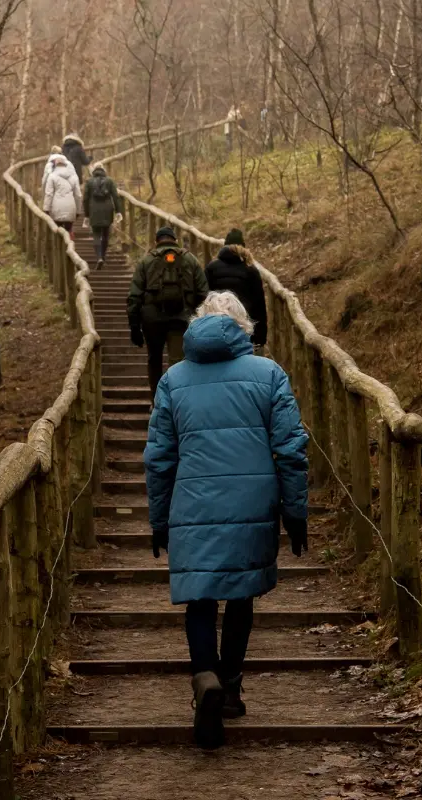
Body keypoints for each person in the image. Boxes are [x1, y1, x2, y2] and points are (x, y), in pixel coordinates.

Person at [143, 291, 309, 751]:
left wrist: (159, 520)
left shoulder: (174, 380)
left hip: (192, 504)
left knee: (200, 598)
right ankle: (231, 686)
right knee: (240, 594)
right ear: (244, 327)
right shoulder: (268, 373)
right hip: (253, 502)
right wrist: (295, 512)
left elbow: (158, 458)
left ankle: (205, 679)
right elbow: (291, 449)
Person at [126, 226, 209, 397]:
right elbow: (203, 293)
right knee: (178, 362)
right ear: (175, 240)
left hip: (151, 321)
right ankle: (177, 400)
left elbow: (134, 296)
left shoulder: (146, 261)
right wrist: (200, 320)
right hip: (181, 319)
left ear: (156, 241)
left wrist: (134, 326)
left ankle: (156, 402)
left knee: (154, 360)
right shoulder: (190, 259)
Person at [204, 228, 267, 350]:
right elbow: (259, 305)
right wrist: (260, 336)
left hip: (216, 324)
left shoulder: (211, 268)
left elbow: (204, 297)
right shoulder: (251, 270)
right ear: (243, 247)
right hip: (243, 325)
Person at [83, 162, 123, 269]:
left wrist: (86, 215)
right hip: (107, 210)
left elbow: (85, 199)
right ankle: (103, 257)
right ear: (103, 170)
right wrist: (118, 211)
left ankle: (99, 257)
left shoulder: (89, 182)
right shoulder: (109, 181)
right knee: (105, 234)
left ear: (94, 171)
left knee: (96, 234)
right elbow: (115, 196)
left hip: (94, 210)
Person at [43, 154, 82, 235]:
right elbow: (78, 195)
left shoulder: (52, 176)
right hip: (71, 207)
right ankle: (69, 245)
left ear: (56, 165)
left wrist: (46, 209)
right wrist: (78, 210)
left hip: (56, 208)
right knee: (68, 230)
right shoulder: (74, 177)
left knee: (57, 231)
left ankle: (59, 247)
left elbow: (49, 194)